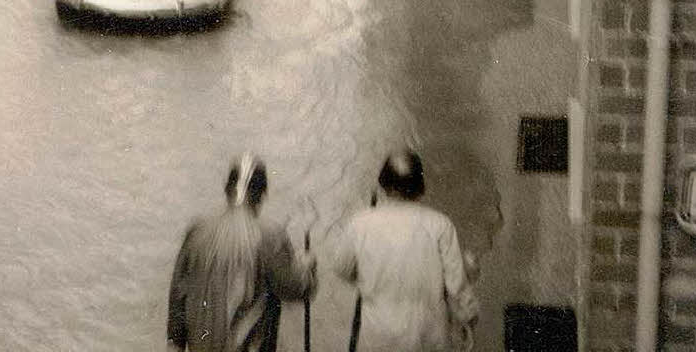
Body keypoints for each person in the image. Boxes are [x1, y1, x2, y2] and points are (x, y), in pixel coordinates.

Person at [167, 154, 317, 352]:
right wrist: (307, 266)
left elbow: (178, 296)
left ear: (226, 190)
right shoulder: (271, 234)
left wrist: (175, 344)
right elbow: (295, 290)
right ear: (262, 196)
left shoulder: (197, 230)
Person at [334, 150, 480, 352]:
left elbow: (342, 269)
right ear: (420, 188)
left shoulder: (360, 224)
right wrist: (468, 321)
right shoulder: (440, 225)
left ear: (383, 185)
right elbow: (457, 286)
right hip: (428, 336)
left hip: (379, 335)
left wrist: (370, 277)